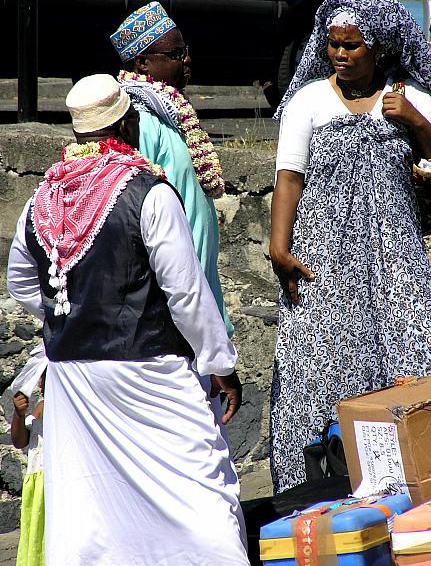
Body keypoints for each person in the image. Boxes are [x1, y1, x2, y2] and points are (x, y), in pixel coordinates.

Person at [7, 74, 250, 566]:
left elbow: (21, 283)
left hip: (76, 379)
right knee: (198, 492)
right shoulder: (149, 192)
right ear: (128, 122)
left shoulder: (40, 201)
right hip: (151, 369)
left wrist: (74, 314)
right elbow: (185, 291)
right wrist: (219, 362)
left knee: (93, 507)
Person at [269, 0, 431, 494]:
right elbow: (288, 178)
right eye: (333, 44)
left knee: (425, 359)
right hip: (327, 258)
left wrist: (414, 121)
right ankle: (319, 489)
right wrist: (278, 247)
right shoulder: (309, 101)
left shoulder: (407, 98)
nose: (339, 54)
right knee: (320, 369)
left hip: (395, 256)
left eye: (352, 45)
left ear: (378, 47)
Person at [110, 2, 233, 336]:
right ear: (143, 62)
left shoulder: (171, 112)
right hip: (171, 304)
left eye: (185, 51)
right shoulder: (140, 122)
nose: (187, 59)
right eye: (176, 54)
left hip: (195, 293)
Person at [11, 344, 47, 566]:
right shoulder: (41, 408)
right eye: (42, 379)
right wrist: (18, 413)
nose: (43, 384)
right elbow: (19, 440)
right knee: (39, 534)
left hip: (60, 481)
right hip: (40, 479)